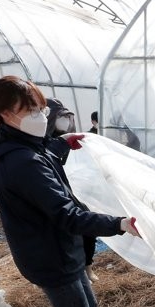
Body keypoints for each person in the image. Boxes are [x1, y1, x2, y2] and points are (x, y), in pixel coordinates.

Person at [0, 76, 142, 307]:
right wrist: (120, 224)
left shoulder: (16, 144)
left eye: (39, 109)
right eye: (28, 110)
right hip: (49, 255)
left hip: (54, 248)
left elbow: (40, 150)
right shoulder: (22, 162)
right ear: (4, 114)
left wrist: (62, 143)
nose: (39, 117)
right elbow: (66, 214)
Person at [45, 98, 100, 282]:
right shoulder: (42, 144)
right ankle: (76, 274)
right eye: (60, 117)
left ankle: (87, 268)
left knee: (88, 227)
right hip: (55, 195)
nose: (66, 121)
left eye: (67, 117)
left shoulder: (66, 141)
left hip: (72, 191)